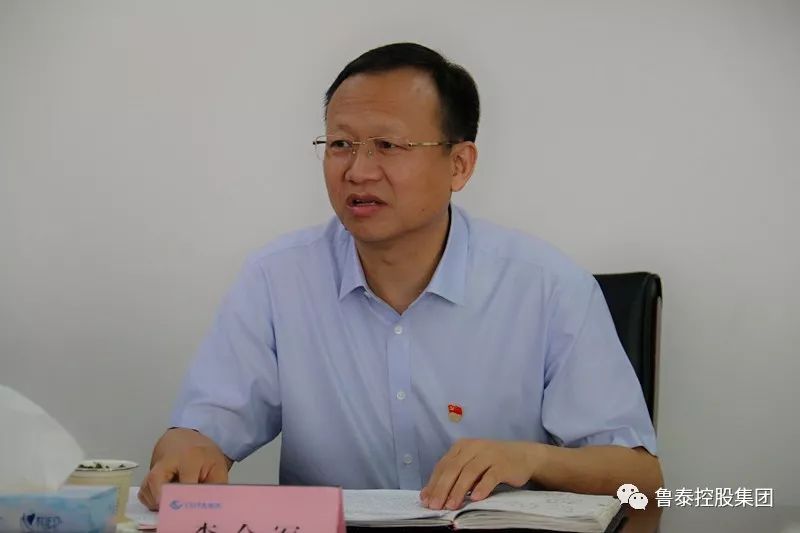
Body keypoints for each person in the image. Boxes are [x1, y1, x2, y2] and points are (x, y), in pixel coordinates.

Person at [138, 42, 662, 512]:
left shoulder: (549, 288)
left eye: (388, 146)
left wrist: (531, 459)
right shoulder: (276, 280)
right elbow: (200, 431)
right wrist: (187, 450)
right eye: (340, 145)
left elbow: (641, 480)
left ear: (459, 164)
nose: (358, 170)